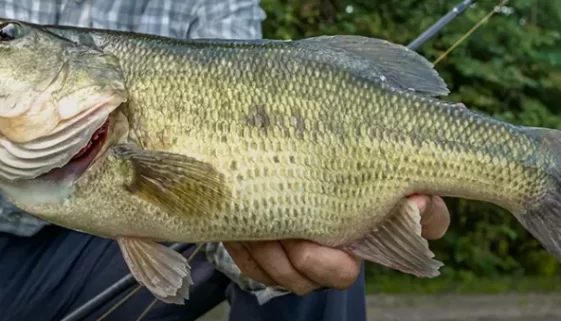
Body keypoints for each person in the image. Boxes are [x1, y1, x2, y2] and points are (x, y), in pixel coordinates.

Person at [0, 1, 452, 320]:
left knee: (323, 242)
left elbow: (228, 171)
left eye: (7, 36)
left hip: (150, 236)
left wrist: (269, 245)